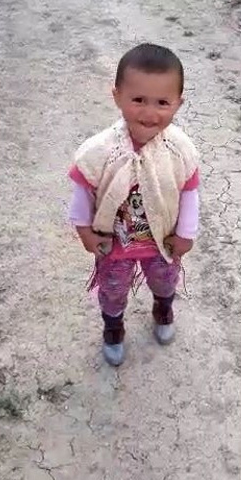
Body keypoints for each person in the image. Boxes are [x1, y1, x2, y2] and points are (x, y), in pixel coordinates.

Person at [68, 43, 199, 366]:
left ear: (178, 103)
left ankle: (163, 309)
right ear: (117, 96)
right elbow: (82, 192)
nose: (149, 113)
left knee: (165, 280)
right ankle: (113, 328)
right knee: (112, 290)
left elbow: (189, 192)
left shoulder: (180, 149)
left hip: (162, 241)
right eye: (138, 100)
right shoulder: (100, 150)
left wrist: (186, 234)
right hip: (115, 244)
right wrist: (85, 231)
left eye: (162, 102)